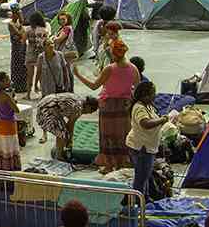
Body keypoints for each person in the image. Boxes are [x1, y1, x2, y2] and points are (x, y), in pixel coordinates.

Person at [74, 38, 140, 174]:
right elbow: (137, 88)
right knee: (123, 135)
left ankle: (109, 165)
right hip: (124, 106)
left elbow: (93, 86)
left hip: (108, 106)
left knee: (107, 136)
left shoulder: (110, 69)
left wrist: (78, 75)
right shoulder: (133, 68)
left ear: (114, 54)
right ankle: (123, 162)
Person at [126, 80, 170, 201]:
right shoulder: (139, 108)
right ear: (144, 95)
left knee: (145, 176)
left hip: (147, 146)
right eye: (152, 93)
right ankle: (137, 203)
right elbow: (145, 123)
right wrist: (162, 120)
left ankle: (144, 198)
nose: (154, 95)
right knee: (141, 178)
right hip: (141, 148)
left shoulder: (148, 106)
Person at [34, 93, 99, 161]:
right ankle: (59, 156)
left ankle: (59, 152)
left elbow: (69, 123)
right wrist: (69, 141)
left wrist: (69, 140)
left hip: (46, 102)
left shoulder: (80, 99)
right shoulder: (78, 108)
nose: (90, 113)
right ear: (88, 106)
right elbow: (70, 125)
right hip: (47, 108)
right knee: (62, 133)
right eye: (92, 110)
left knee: (63, 131)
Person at [0, 71, 22, 171]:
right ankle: (11, 167)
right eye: (7, 80)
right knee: (10, 147)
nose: (10, 81)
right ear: (1, 82)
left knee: (2, 147)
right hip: (9, 125)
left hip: (0, 123)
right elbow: (16, 109)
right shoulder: (6, 96)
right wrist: (12, 97)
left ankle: (0, 166)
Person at [24, 12, 49, 99]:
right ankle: (43, 95)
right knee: (42, 75)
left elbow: (23, 40)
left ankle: (28, 95)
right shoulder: (44, 30)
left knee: (29, 75)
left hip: (30, 54)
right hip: (41, 54)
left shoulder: (28, 29)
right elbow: (46, 42)